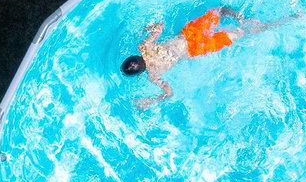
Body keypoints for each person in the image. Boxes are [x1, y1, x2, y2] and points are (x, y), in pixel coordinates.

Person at [121, 7, 291, 109]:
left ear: (139, 73)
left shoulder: (153, 74)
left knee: (239, 34)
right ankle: (241, 17)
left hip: (195, 50)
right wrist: (148, 28)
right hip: (189, 35)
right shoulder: (143, 46)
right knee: (219, 10)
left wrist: (152, 100)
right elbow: (160, 27)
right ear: (134, 56)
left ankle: (282, 22)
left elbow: (169, 92)